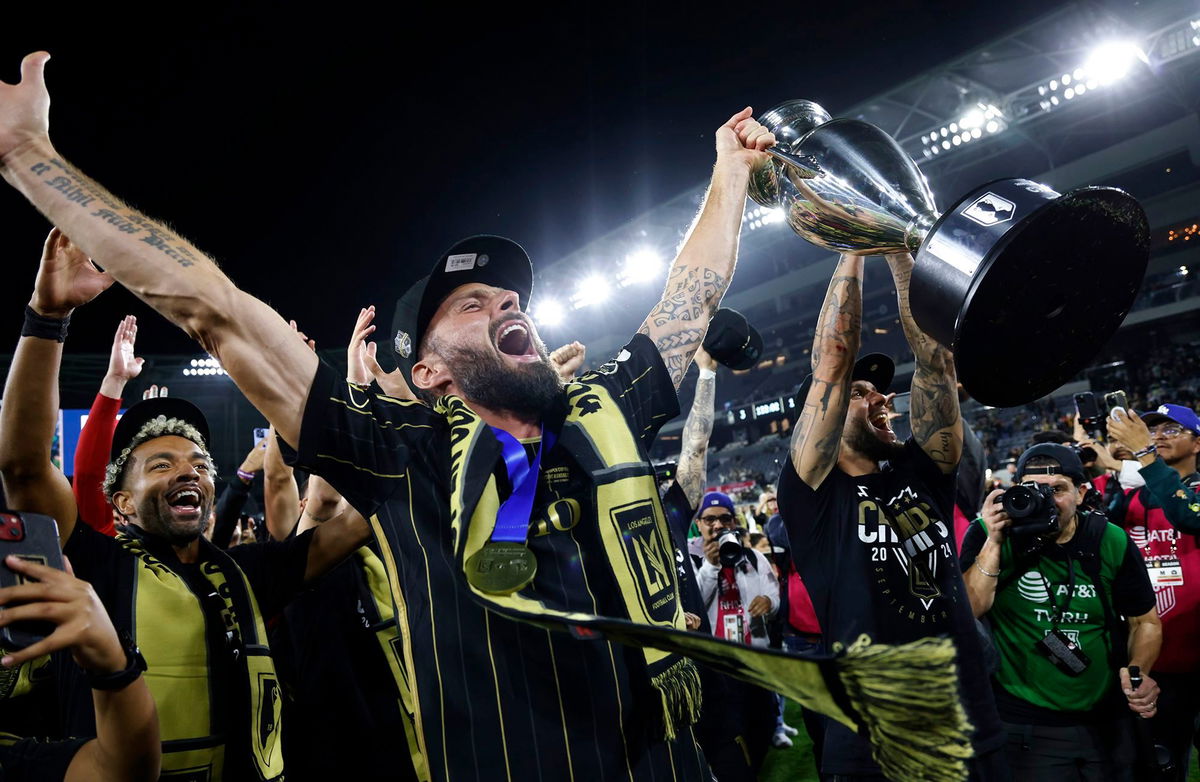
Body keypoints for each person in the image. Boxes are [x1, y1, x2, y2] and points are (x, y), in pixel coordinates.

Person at [0, 55, 774, 778]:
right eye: (472, 304)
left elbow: (690, 296)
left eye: (511, 300)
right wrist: (31, 157)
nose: (507, 305)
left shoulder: (608, 412)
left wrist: (729, 172)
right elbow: (218, 311)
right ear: (429, 371)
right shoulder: (402, 455)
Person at [0, 228, 374, 780]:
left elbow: (365, 512)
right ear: (120, 502)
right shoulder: (97, 566)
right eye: (162, 464)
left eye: (200, 463)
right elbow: (24, 466)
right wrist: (47, 316)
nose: (188, 471)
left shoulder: (248, 575)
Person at [776, 250, 1005, 780]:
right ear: (825, 420)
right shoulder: (812, 493)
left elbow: (936, 360)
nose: (881, 397)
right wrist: (854, 246)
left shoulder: (920, 469)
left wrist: (902, 253)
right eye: (860, 393)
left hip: (966, 722)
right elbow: (833, 358)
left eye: (879, 388)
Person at [960, 443, 1161, 779]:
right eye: (1032, 490)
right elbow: (970, 610)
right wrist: (994, 540)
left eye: (1056, 490)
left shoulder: (1108, 538)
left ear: (1082, 493)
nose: (1044, 500)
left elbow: (1146, 621)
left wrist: (1139, 670)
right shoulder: (986, 534)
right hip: (1024, 719)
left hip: (1107, 716)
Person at [1104, 402, 1200, 775]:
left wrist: (1144, 454)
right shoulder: (1130, 496)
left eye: (1171, 431)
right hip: (1153, 656)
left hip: (1196, 648)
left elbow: (1187, 515)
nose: (1158, 437)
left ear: (1197, 444)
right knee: (1160, 761)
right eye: (1152, 431)